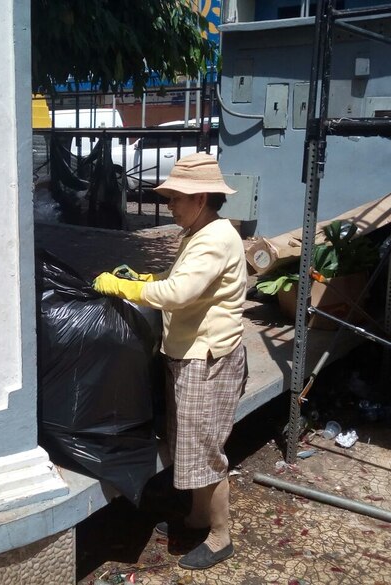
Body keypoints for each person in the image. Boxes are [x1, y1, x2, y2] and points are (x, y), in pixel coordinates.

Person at [92, 152, 247, 570]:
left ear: (200, 198)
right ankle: (197, 516)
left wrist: (125, 287)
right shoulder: (197, 232)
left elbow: (179, 295)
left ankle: (219, 536)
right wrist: (149, 280)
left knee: (205, 451)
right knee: (191, 445)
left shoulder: (215, 239)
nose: (170, 206)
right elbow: (179, 282)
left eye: (176, 198)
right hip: (189, 354)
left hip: (207, 360)